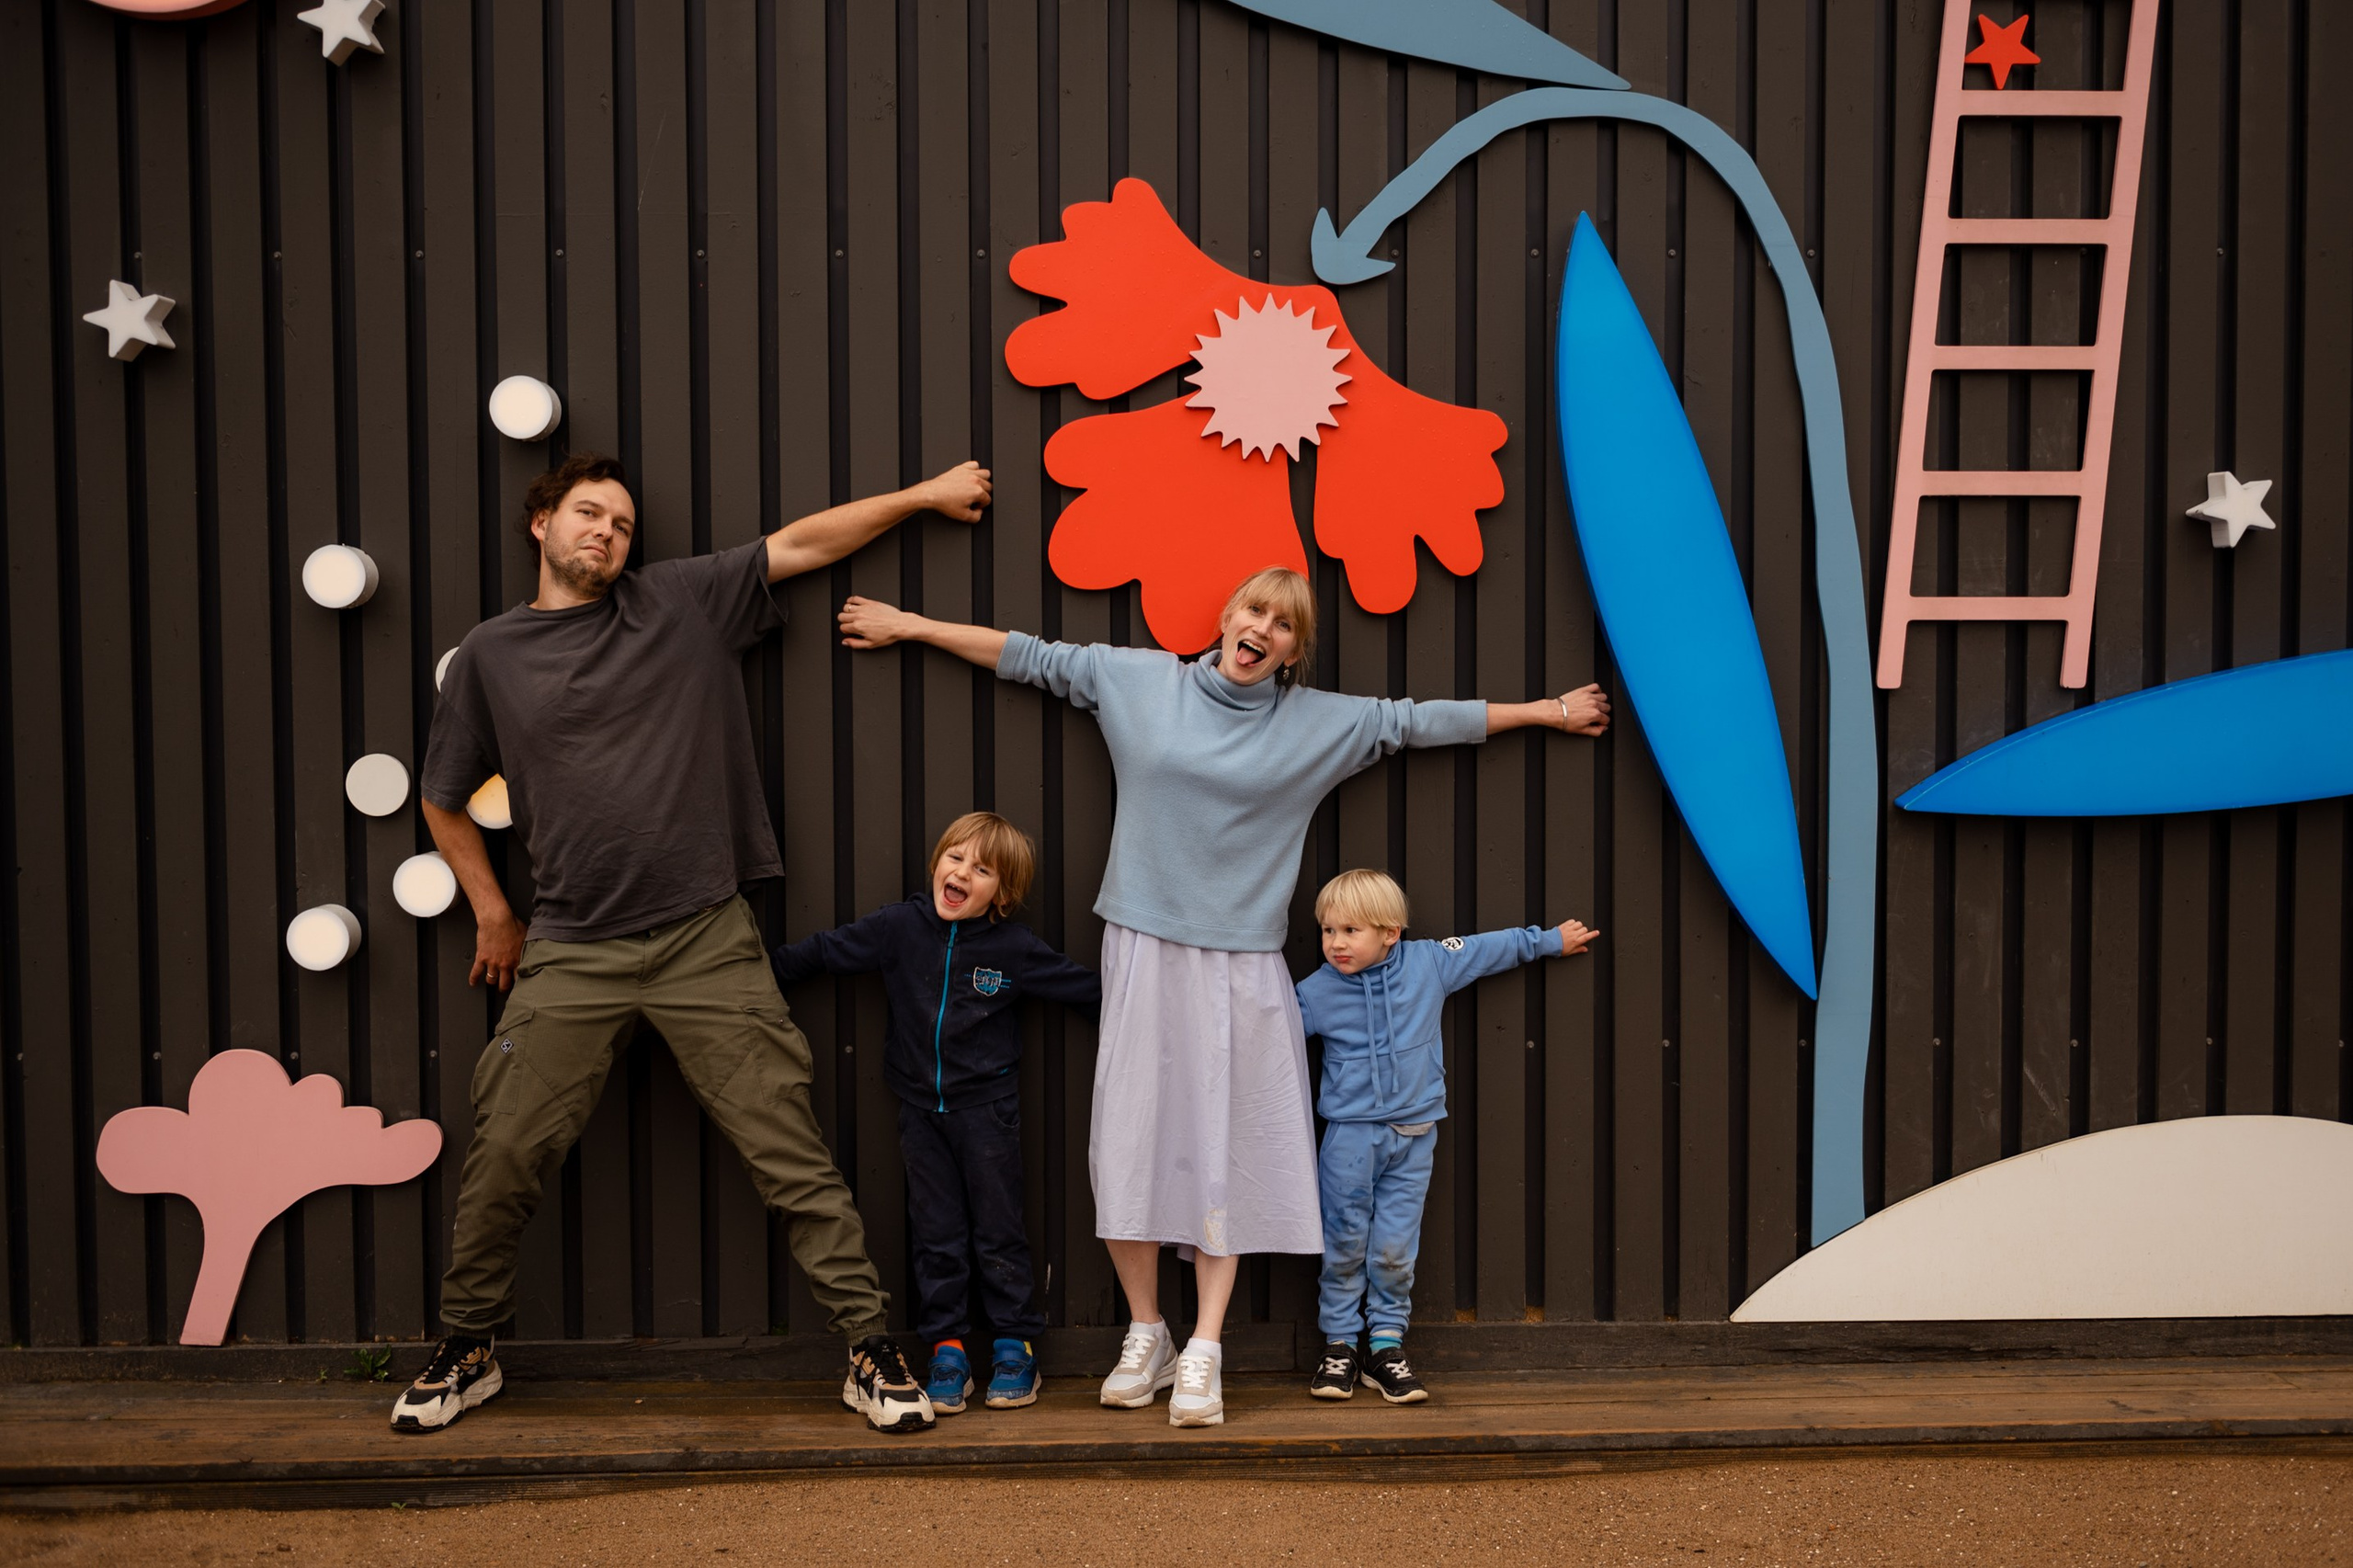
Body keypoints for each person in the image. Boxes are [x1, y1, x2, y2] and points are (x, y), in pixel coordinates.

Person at [835, 566, 1609, 1427]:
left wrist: (1546, 712)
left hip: (1242, 963)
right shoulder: (1140, 682)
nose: (1263, 630)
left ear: (1293, 651)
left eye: (1284, 625)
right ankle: (1148, 1333)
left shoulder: (1318, 723)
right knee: (1128, 1142)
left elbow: (1418, 721)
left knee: (1225, 1149)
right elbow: (1028, 656)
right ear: (1227, 615)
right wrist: (910, 624)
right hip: (1141, 946)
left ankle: (1205, 1347)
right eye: (1255, 611)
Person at [392, 450, 993, 1436]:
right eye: (589, 513)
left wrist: (925, 496)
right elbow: (442, 794)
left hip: (704, 935)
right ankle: (468, 1344)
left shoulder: (678, 600)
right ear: (541, 523)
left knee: (790, 1148)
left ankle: (868, 1346)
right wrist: (493, 909)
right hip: (572, 947)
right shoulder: (491, 655)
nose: (607, 532)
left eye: (623, 524)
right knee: (503, 1149)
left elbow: (803, 543)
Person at [769, 811, 1099, 1415]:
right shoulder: (899, 928)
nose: (963, 873)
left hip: (988, 1111)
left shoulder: (1014, 950)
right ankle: (947, 1350)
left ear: (1003, 894)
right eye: (956, 858)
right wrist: (751, 980)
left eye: (983, 870)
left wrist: (1148, 1024)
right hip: (921, 1112)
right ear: (936, 863)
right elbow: (822, 952)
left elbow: (1088, 992)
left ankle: (1015, 1345)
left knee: (999, 1229)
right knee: (937, 1233)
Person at [1295, 869, 1597, 1404]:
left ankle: (1385, 1347)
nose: (1336, 943)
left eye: (1351, 931)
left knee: (1394, 1248)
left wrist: (1549, 941)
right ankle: (1339, 1345)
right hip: (1349, 1139)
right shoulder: (1315, 992)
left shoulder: (1428, 963)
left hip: (1415, 1136)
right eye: (1328, 931)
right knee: (1344, 1242)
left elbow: (1488, 948)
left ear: (1390, 933)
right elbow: (1265, 1037)